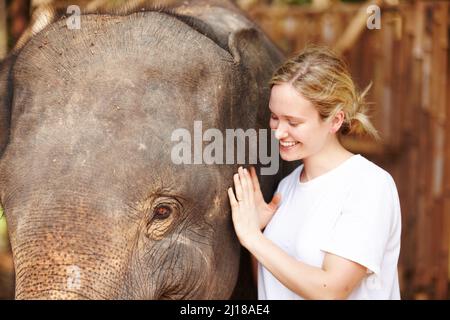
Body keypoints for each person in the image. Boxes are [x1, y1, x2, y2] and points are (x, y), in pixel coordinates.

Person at [227, 46, 401, 300]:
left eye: (293, 122)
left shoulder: (369, 185)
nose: (278, 132)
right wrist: (259, 230)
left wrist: (253, 238)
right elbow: (271, 287)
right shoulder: (286, 187)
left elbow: (331, 289)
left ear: (334, 120)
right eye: (275, 117)